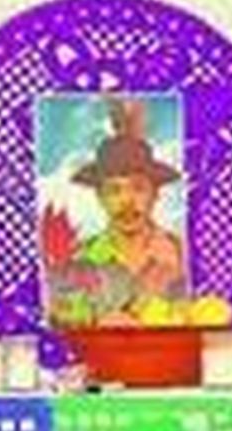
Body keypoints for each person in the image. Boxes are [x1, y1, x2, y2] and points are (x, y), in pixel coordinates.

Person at [50, 98, 186, 320]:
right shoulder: (78, 262)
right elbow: (64, 323)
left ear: (155, 195)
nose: (127, 202)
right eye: (114, 190)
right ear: (100, 198)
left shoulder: (182, 254)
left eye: (138, 188)